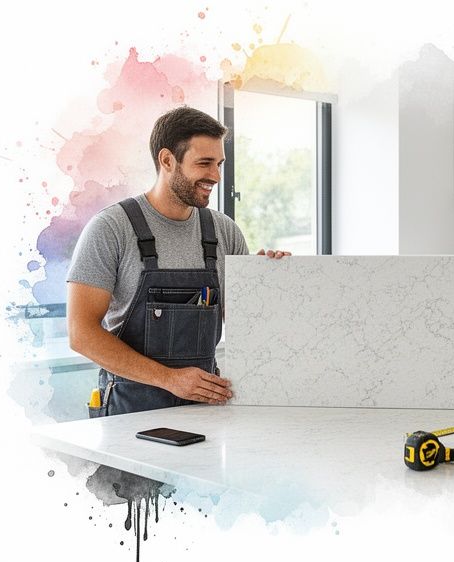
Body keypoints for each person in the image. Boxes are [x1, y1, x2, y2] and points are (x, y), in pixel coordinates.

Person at [67, 106, 290, 416]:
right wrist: (170, 379)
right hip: (130, 413)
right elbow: (82, 335)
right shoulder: (111, 229)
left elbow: (247, 328)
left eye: (219, 164)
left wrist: (269, 281)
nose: (215, 176)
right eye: (204, 163)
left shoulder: (224, 232)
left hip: (206, 407)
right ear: (167, 160)